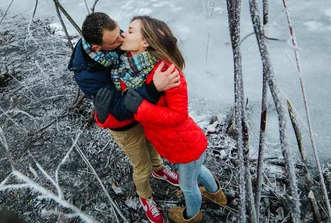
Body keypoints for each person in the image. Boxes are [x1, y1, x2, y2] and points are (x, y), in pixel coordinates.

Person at [68, 12, 181, 223]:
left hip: (144, 115)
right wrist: (154, 88)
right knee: (141, 165)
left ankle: (160, 171)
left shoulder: (114, 37)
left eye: (121, 32)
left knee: (151, 146)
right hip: (124, 126)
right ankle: (146, 198)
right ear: (96, 48)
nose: (121, 39)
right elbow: (119, 110)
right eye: (115, 40)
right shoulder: (86, 75)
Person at [115, 16, 227, 223]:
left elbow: (178, 116)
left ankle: (191, 216)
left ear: (145, 42)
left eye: (130, 31)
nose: (123, 34)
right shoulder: (135, 68)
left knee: (188, 187)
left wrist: (140, 107)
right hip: (181, 144)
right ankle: (216, 194)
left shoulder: (167, 72)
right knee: (199, 171)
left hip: (185, 145)